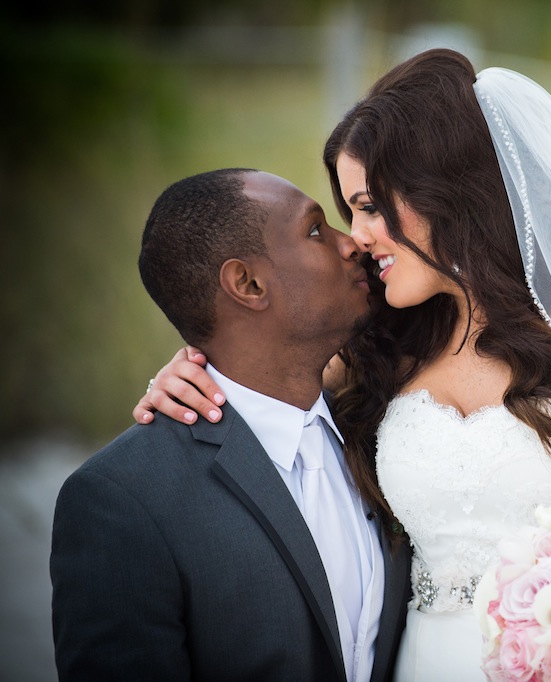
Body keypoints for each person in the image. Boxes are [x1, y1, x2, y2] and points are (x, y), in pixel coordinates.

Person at [138, 50, 551, 681]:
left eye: (369, 205)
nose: (358, 236)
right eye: (348, 211)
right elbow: (257, 380)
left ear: (442, 188)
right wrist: (191, 372)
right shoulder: (383, 344)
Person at [52, 169, 412, 681]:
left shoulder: (386, 422)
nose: (351, 241)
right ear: (247, 284)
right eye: (315, 230)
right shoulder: (123, 499)